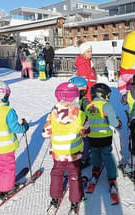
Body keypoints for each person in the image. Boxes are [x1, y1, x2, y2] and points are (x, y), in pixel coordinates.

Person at [43, 82, 85, 214]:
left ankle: (55, 197)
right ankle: (75, 199)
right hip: (74, 153)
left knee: (57, 173)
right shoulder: (80, 114)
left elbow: (45, 133)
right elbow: (86, 131)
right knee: (74, 175)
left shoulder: (52, 114)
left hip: (58, 152)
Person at [84, 83, 122, 197]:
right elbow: (113, 122)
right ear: (102, 94)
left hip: (93, 137)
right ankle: (111, 178)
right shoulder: (106, 105)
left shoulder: (89, 106)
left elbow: (87, 121)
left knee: (95, 153)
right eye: (107, 95)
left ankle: (95, 170)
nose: (108, 97)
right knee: (107, 155)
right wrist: (118, 122)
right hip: (105, 137)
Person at [69, 76, 92, 168]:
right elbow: (89, 112)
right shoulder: (84, 100)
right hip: (80, 127)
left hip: (69, 127)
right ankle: (83, 159)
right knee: (86, 141)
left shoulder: (66, 100)